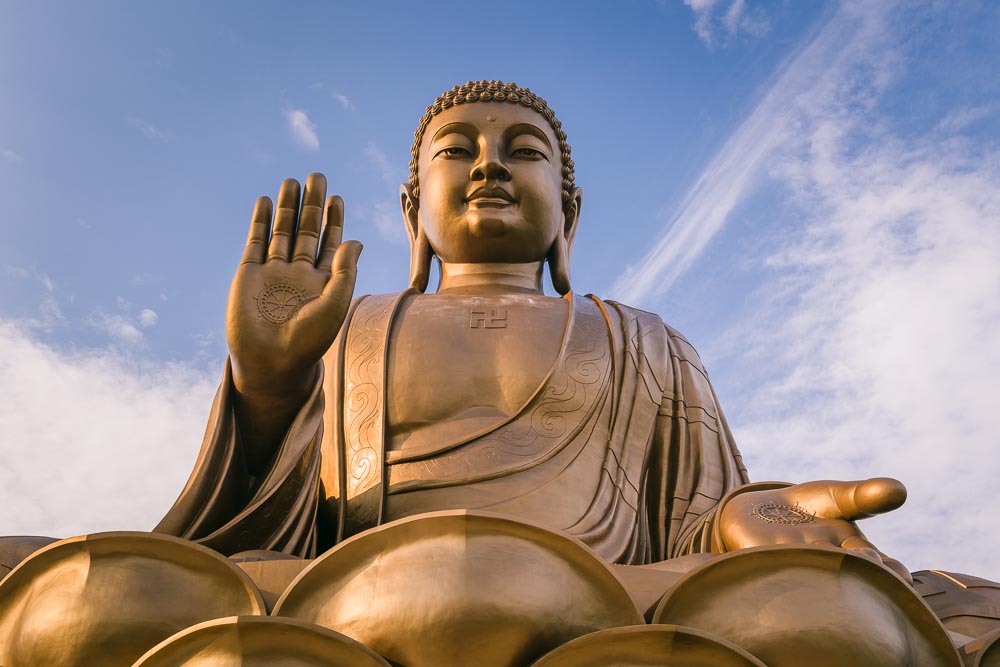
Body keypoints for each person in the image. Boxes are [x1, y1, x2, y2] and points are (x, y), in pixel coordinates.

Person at [154, 80, 909, 575]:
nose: (489, 166)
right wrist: (268, 386)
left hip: (610, 603)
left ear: (567, 214)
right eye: (457, 151)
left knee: (882, 601)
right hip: (360, 596)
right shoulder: (350, 328)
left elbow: (693, 525)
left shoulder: (647, 341)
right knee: (78, 576)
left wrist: (745, 519)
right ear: (414, 215)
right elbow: (272, 529)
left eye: (524, 151)